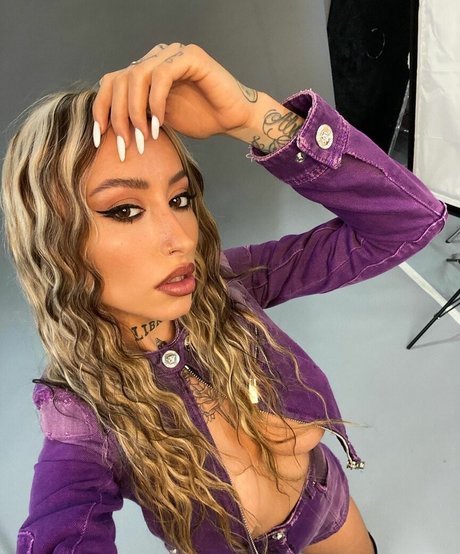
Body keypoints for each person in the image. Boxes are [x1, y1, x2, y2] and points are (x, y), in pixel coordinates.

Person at [2, 43, 446, 554]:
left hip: (325, 504)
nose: (180, 237)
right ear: (53, 243)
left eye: (179, 199)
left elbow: (409, 221)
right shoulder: (81, 411)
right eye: (124, 210)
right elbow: (62, 527)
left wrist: (251, 117)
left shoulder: (225, 283)